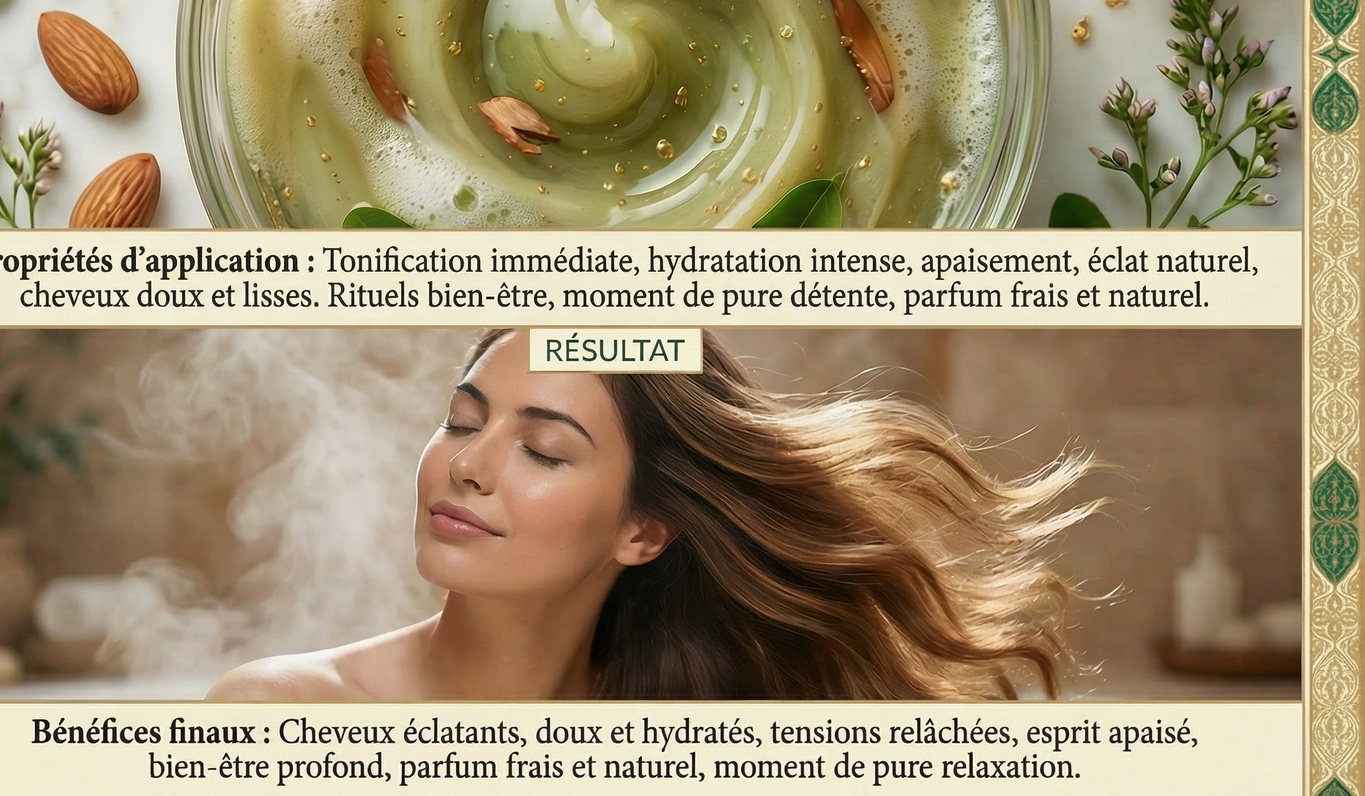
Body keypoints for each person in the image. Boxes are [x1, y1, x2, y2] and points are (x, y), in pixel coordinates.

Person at [209, 329, 1096, 701]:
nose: (468, 467)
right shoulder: (287, 711)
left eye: (544, 451)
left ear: (643, 530)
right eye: (462, 421)